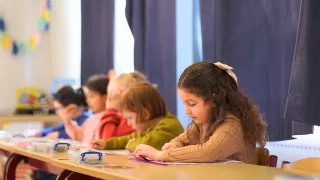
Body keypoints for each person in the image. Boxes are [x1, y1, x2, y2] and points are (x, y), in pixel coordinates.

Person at [134, 61, 266, 164]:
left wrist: (161, 155)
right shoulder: (204, 122)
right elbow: (181, 139)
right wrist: (175, 145)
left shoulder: (231, 125)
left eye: (192, 104)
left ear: (214, 98)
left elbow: (207, 152)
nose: (186, 111)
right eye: (184, 103)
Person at [91, 83, 184, 151]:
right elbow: (128, 138)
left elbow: (148, 144)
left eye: (130, 118)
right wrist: (106, 143)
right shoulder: (151, 128)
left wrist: (131, 143)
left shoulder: (169, 126)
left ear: (145, 114)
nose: (128, 123)